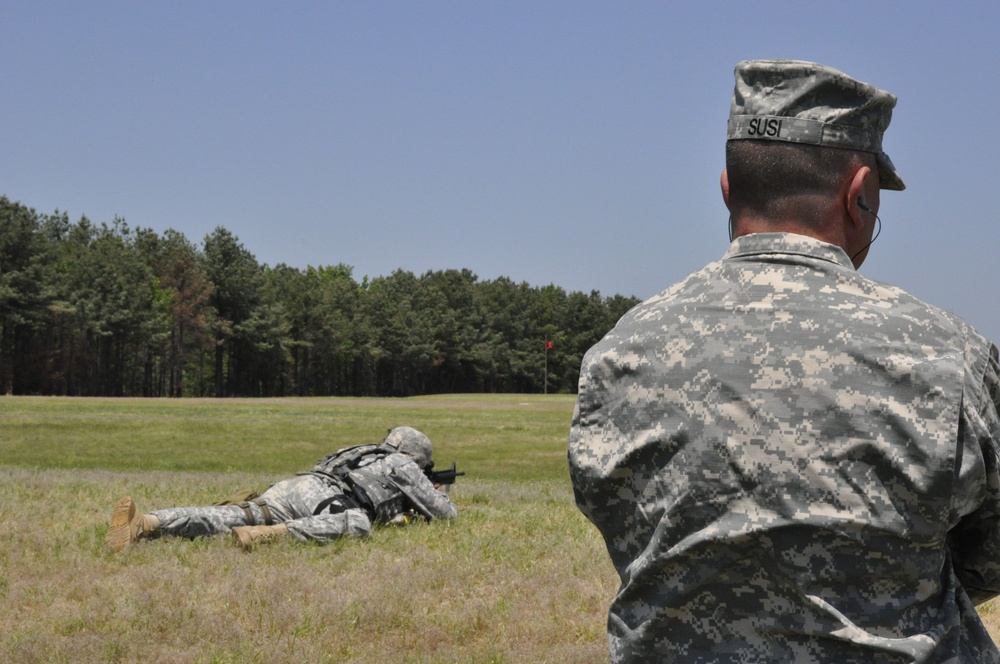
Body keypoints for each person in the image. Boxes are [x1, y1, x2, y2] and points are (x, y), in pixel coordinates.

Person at [568, 59, 1000, 663]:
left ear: (727, 187)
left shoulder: (616, 356)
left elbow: (629, 534)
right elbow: (988, 555)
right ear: (860, 196)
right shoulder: (951, 354)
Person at [108, 426, 458, 552]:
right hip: (327, 499)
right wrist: (437, 491)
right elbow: (446, 515)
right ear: (415, 456)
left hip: (295, 486)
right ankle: (268, 535)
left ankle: (148, 523)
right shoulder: (403, 464)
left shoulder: (362, 451)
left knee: (231, 513)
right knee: (357, 523)